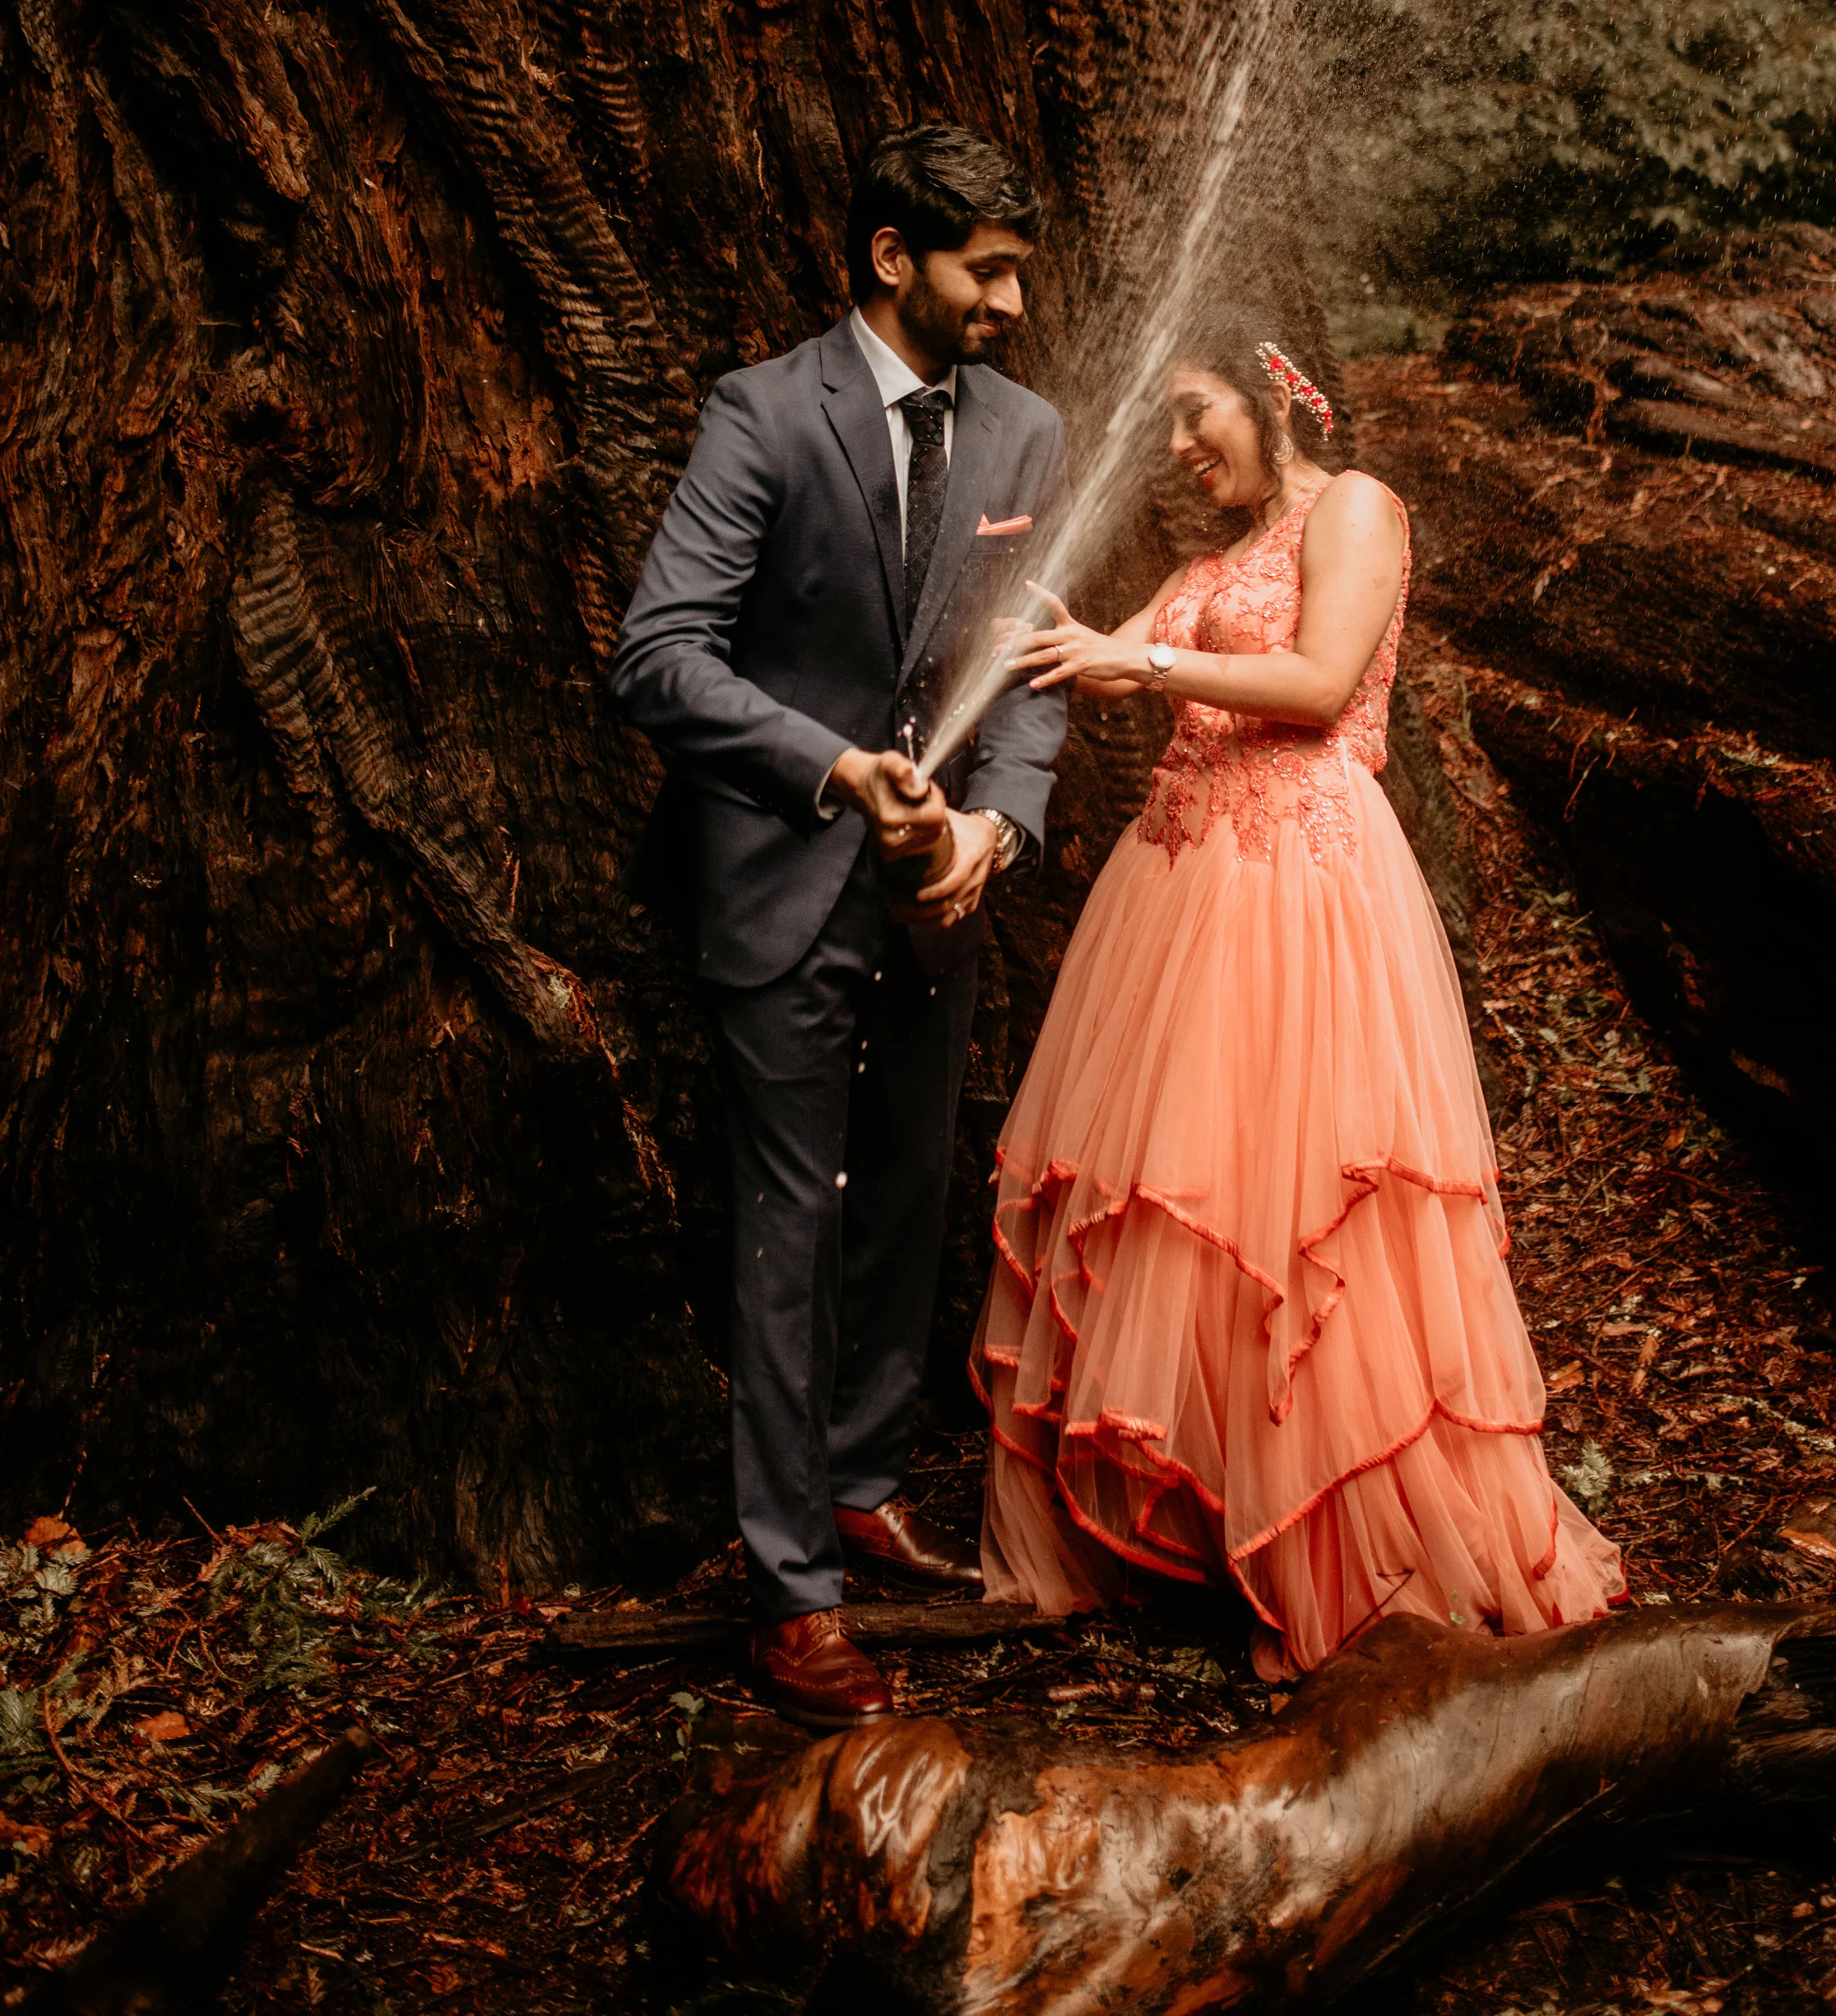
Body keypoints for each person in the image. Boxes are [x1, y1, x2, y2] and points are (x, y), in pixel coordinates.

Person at [971, 316, 1623, 1676]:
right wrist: (1022, 627)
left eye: (1194, 409)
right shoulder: (1211, 563)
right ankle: (1210, 1520)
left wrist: (1139, 662)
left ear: (1275, 394)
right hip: (1177, 891)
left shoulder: (1359, 510)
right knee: (1185, 1209)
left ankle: (1346, 1545)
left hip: (1300, 894)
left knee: (1305, 1212)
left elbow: (1321, 685)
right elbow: (1101, 646)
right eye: (1163, 424)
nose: (1176, 445)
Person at [610, 123, 1071, 1727]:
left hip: (936, 900)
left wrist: (997, 824)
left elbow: (1022, 667)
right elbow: (656, 659)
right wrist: (832, 772)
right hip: (781, 885)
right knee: (786, 1225)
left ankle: (865, 1489)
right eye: (985, 268)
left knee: (910, 1203)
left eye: (1017, 267)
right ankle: (789, 1589)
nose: (1011, 300)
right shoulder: (759, 414)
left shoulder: (1026, 436)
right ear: (892, 257)